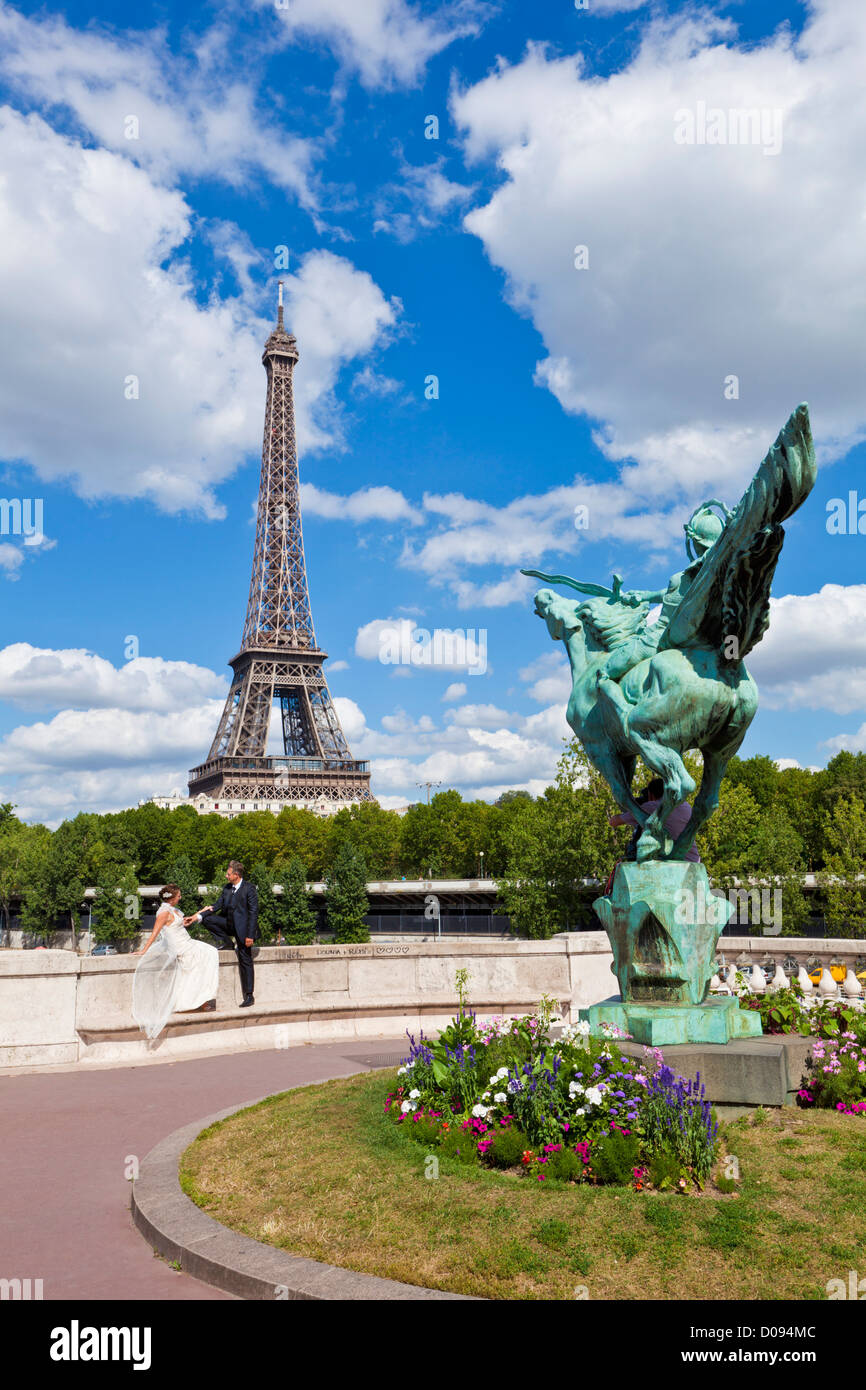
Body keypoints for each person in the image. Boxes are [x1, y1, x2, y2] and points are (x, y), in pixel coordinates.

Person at [131, 883, 219, 1040]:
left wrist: (201, 912)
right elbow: (155, 932)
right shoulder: (163, 913)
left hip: (186, 942)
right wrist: (144, 950)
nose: (180, 897)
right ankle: (199, 1000)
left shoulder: (172, 909)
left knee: (210, 953)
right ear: (171, 898)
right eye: (179, 895)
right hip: (181, 947)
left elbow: (182, 923)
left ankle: (201, 999)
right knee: (208, 954)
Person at [187, 861, 259, 1007]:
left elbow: (253, 913)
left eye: (228, 874)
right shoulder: (227, 888)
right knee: (207, 919)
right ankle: (227, 942)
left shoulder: (249, 889)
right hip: (229, 925)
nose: (226, 876)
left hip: (244, 931)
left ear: (236, 875)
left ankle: (249, 995)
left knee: (245, 960)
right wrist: (196, 917)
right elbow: (216, 906)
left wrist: (250, 935)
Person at [609, 778, 701, 865]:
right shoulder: (686, 806)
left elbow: (613, 822)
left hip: (668, 866)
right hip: (693, 861)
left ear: (651, 795)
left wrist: (634, 807)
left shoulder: (650, 806)